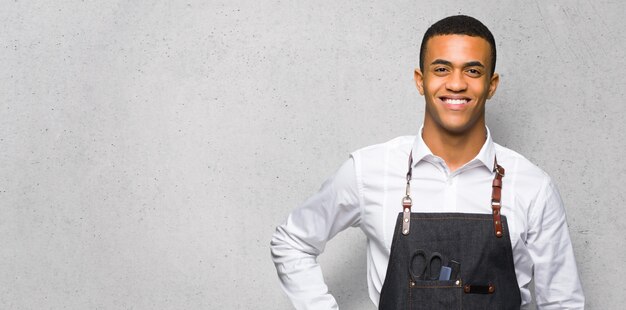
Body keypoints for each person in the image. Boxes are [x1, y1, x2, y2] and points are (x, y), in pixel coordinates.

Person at [270, 15, 584, 309]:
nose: (457, 84)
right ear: (420, 80)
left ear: (492, 84)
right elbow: (292, 240)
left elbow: (563, 303)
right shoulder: (369, 170)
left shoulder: (533, 187)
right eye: (442, 69)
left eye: (472, 71)